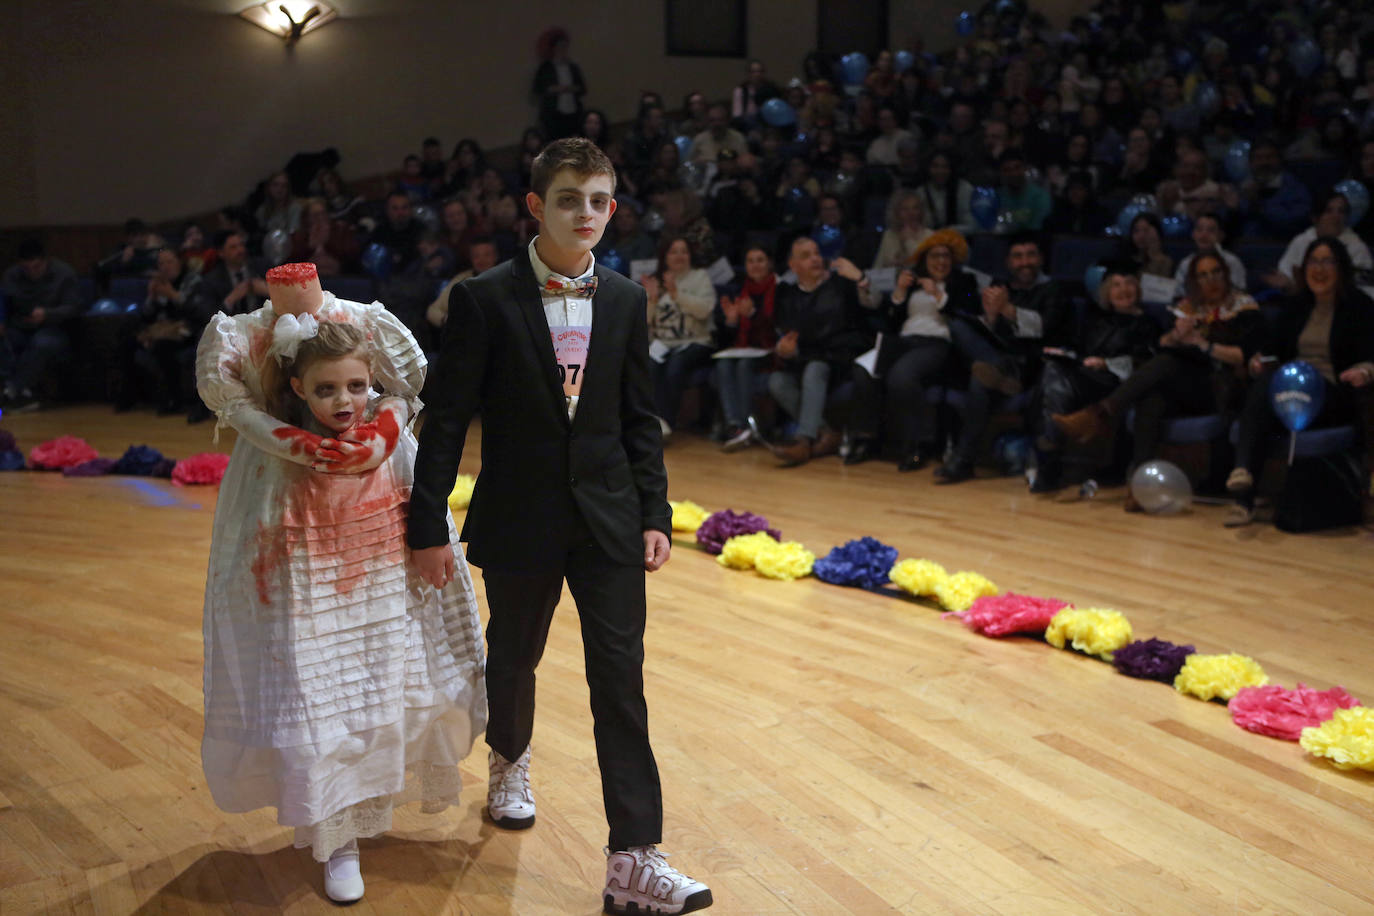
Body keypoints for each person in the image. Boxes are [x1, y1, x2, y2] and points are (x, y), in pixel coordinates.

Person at [407, 138, 712, 915]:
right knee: (513, 654)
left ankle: (633, 859)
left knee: (621, 681)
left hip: (608, 516)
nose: (587, 213)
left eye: (601, 200)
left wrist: (655, 512)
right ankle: (509, 759)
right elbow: (445, 422)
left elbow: (639, 417)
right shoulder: (482, 298)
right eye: (571, 198)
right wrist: (427, 528)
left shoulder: (623, 298)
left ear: (614, 209)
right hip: (519, 513)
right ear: (537, 206)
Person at [195, 263, 486, 904]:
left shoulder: (366, 336)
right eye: (328, 390)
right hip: (300, 543)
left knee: (385, 665)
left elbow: (410, 391)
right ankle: (336, 835)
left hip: (378, 541)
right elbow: (237, 408)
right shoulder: (244, 340)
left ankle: (367, 808)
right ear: (299, 388)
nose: (346, 401)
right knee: (316, 677)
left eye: (357, 387)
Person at [1052, 251, 1265, 510]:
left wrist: (1202, 344)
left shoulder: (1244, 306)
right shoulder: (1188, 308)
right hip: (1187, 386)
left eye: (1216, 273)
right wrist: (1177, 335)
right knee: (1151, 396)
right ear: (1194, 281)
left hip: (1222, 389)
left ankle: (1099, 414)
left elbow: (1243, 356)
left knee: (1166, 365)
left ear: (1227, 274)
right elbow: (1161, 344)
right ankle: (1140, 487)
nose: (1211, 280)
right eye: (1203, 275)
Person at [1226, 238, 1374, 525]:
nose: (1319, 269)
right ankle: (1243, 487)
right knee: (1265, 382)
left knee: (1271, 393)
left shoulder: (1360, 306)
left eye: (1327, 261)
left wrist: (1365, 371)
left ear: (1341, 267)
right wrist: (1260, 361)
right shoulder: (1296, 306)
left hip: (1333, 393)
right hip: (1289, 392)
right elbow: (1273, 350)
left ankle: (1247, 486)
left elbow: (1371, 355)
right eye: (1313, 262)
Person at [936, 233, 1072, 483]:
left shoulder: (1054, 289)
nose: (1024, 262)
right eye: (1017, 257)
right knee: (958, 326)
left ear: (1041, 258)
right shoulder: (1000, 286)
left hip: (1030, 365)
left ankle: (962, 462)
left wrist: (1007, 310)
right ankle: (997, 372)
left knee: (981, 380)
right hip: (998, 359)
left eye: (1030, 255)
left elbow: (1046, 328)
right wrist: (990, 317)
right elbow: (992, 333)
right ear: (1009, 262)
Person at [848, 229, 975, 471]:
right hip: (903, 342)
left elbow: (969, 312)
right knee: (863, 369)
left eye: (945, 256)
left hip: (937, 343)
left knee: (901, 377)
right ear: (924, 261)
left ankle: (921, 443)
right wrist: (899, 295)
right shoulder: (913, 284)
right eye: (934, 256)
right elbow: (891, 324)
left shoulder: (964, 283)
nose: (940, 262)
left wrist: (937, 294)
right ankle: (867, 438)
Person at [1029, 261, 1160, 493]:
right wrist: (1063, 354)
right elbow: (1078, 349)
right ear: (1107, 292)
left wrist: (1106, 363)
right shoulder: (1095, 319)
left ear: (1138, 289)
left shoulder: (1148, 323)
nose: (1123, 290)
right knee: (1051, 371)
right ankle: (1052, 446)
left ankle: (1049, 458)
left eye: (1129, 284)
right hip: (1085, 377)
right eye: (1116, 285)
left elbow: (1147, 363)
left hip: (1117, 383)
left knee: (1051, 385)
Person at [766, 236, 874, 467]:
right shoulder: (787, 294)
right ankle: (827, 432)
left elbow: (872, 304)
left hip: (838, 360)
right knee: (776, 381)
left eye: (816, 253)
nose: (815, 259)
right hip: (803, 360)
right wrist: (783, 348)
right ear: (793, 266)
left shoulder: (840, 285)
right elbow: (786, 334)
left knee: (815, 369)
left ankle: (803, 441)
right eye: (806, 256)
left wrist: (862, 280)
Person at [642, 236, 716, 437]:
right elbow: (645, 322)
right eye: (674, 251)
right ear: (665, 257)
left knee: (676, 364)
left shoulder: (700, 277)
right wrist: (653, 299)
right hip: (662, 343)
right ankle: (649, 421)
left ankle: (666, 422)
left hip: (695, 342)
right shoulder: (656, 281)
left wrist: (677, 294)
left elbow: (704, 310)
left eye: (684, 251)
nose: (679, 256)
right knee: (648, 364)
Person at [115, 247, 203, 414]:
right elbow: (147, 316)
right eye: (161, 263)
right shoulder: (159, 282)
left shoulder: (192, 280)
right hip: (161, 329)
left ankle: (173, 400)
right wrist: (152, 297)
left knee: (163, 347)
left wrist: (173, 295)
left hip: (186, 330)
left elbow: (197, 311)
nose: (165, 267)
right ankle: (129, 395)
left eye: (169, 262)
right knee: (127, 343)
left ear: (179, 262)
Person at [0, 239, 80, 410]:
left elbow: (74, 307)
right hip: (20, 326)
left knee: (42, 343)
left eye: (36, 267)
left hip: (55, 328)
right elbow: (5, 304)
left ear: (46, 261)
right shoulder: (12, 276)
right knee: (7, 340)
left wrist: (48, 314)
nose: (32, 273)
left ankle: (12, 391)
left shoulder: (64, 274)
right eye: (26, 268)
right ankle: (18, 391)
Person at [714, 246, 779, 451]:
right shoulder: (741, 289)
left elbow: (777, 328)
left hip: (772, 352)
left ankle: (746, 426)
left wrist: (752, 314)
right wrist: (732, 321)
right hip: (745, 350)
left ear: (769, 263)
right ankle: (735, 426)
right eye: (751, 261)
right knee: (723, 364)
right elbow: (729, 337)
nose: (755, 265)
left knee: (743, 365)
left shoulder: (780, 288)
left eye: (760, 260)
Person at [1268, 190, 1373, 292]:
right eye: (1328, 211)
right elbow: (1285, 275)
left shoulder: (1357, 247)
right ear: (1315, 217)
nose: (1336, 217)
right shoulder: (1301, 241)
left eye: (1341, 211)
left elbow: (1364, 287)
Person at [425, 236, 501, 331]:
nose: (482, 260)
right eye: (476, 256)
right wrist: (450, 321)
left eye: (487, 255)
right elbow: (433, 310)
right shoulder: (462, 279)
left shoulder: (506, 279)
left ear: (496, 256)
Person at [532, 29, 586, 139]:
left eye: (565, 47)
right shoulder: (546, 68)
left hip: (573, 113)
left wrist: (571, 89)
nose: (563, 50)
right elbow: (538, 89)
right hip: (554, 115)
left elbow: (582, 88)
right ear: (554, 49)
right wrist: (554, 89)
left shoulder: (572, 67)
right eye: (560, 47)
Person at [1173, 212, 1246, 291]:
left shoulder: (1232, 262)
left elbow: (1239, 291)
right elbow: (1178, 292)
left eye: (1211, 230)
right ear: (1193, 234)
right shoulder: (1185, 263)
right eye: (1199, 229)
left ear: (1221, 235)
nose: (1204, 235)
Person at [916, 152, 977, 236]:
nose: (940, 171)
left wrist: (948, 231)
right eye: (935, 166)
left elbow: (972, 225)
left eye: (945, 167)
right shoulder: (921, 192)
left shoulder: (964, 189)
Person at [871, 189, 934, 269]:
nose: (911, 213)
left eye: (915, 208)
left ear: (921, 211)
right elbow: (877, 268)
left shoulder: (930, 235)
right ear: (896, 213)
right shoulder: (889, 235)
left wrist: (908, 240)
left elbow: (923, 266)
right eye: (905, 209)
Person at [996, 148, 1052, 232]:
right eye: (1007, 170)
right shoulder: (996, 197)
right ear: (1001, 173)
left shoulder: (1040, 196)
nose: (1013, 173)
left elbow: (1039, 228)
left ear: (1025, 168)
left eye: (1017, 167)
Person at [1121, 212, 1174, 279]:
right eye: (1136, 231)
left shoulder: (1167, 261)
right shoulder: (1124, 261)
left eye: (1146, 230)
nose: (1141, 236)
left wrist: (1155, 255)